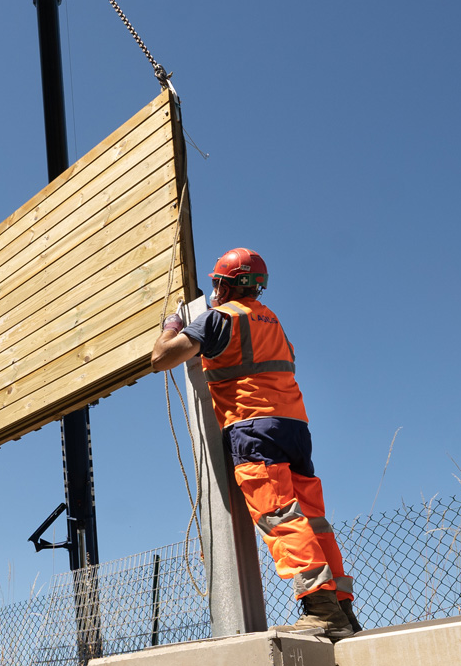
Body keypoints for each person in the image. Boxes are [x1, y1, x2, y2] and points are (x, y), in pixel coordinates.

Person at [150, 247, 361, 638]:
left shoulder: (218, 319)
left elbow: (161, 358)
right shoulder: (272, 322)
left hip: (253, 428)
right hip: (294, 428)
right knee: (314, 520)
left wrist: (173, 325)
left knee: (279, 516)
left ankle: (321, 609)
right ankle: (343, 611)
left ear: (223, 284)